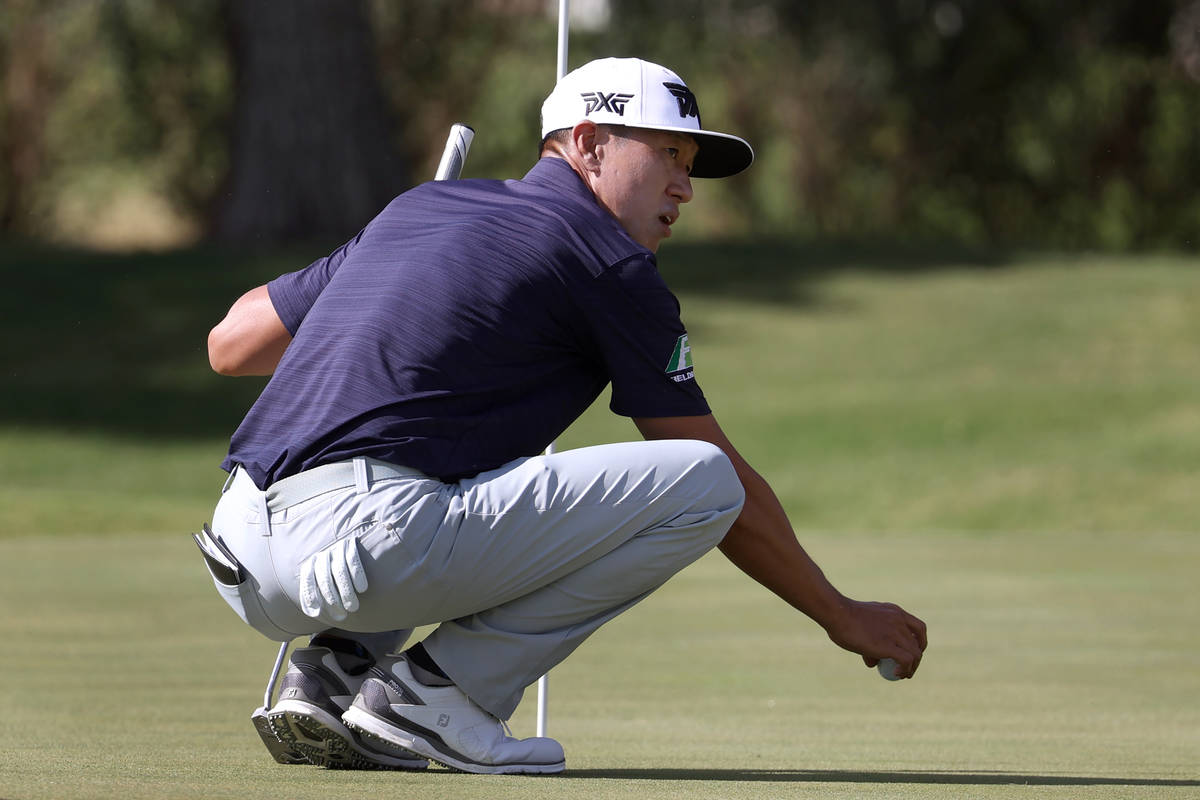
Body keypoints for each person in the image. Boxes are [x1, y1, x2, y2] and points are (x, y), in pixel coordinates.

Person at [201, 57, 927, 776]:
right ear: (586, 143)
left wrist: (382, 280)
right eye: (668, 153)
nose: (685, 186)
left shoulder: (417, 210)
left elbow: (232, 344)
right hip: (362, 548)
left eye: (691, 163)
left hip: (240, 552)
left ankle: (332, 676)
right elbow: (719, 486)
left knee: (475, 455)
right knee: (705, 482)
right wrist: (840, 613)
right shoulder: (610, 262)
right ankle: (436, 695)